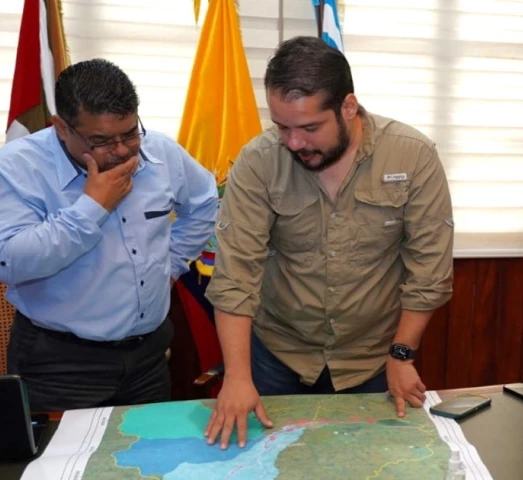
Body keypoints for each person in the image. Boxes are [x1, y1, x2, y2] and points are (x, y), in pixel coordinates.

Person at [203, 36, 454, 449]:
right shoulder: (259, 161)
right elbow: (235, 277)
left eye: (309, 128)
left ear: (348, 107)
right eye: (282, 127)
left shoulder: (412, 157)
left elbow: (428, 271)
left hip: (373, 359)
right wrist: (237, 377)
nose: (294, 143)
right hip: (276, 355)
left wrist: (403, 355)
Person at [0, 59, 218, 412]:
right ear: (61, 128)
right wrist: (92, 207)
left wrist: (171, 265)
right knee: (57, 466)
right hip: (60, 363)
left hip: (148, 356)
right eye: (100, 140)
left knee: (146, 462)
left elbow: (205, 202)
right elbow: (8, 260)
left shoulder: (160, 152)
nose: (120, 150)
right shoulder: (16, 168)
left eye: (130, 133)